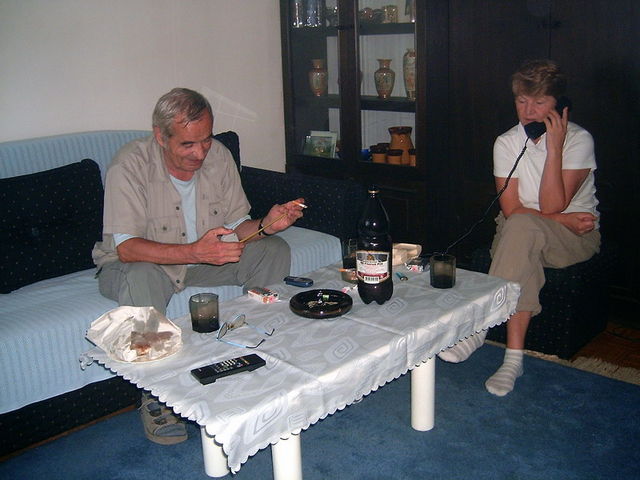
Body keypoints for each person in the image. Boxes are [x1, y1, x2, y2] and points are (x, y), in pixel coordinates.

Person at [92, 87, 305, 443]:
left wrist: (267, 225)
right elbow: (126, 249)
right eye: (187, 144)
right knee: (142, 274)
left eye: (205, 140)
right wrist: (195, 252)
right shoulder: (129, 165)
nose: (200, 152)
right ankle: (154, 394)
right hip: (137, 265)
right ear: (161, 136)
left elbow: (238, 228)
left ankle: (257, 351)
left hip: (202, 258)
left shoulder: (218, 155)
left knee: (272, 249)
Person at [438, 59, 600, 396]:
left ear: (559, 105)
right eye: (521, 101)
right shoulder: (506, 142)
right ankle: (513, 359)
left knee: (522, 229)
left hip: (574, 236)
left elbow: (552, 204)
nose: (528, 111)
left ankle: (480, 328)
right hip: (522, 228)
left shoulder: (579, 140)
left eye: (539, 102)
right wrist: (560, 218)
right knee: (522, 233)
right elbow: (511, 209)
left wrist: (554, 148)